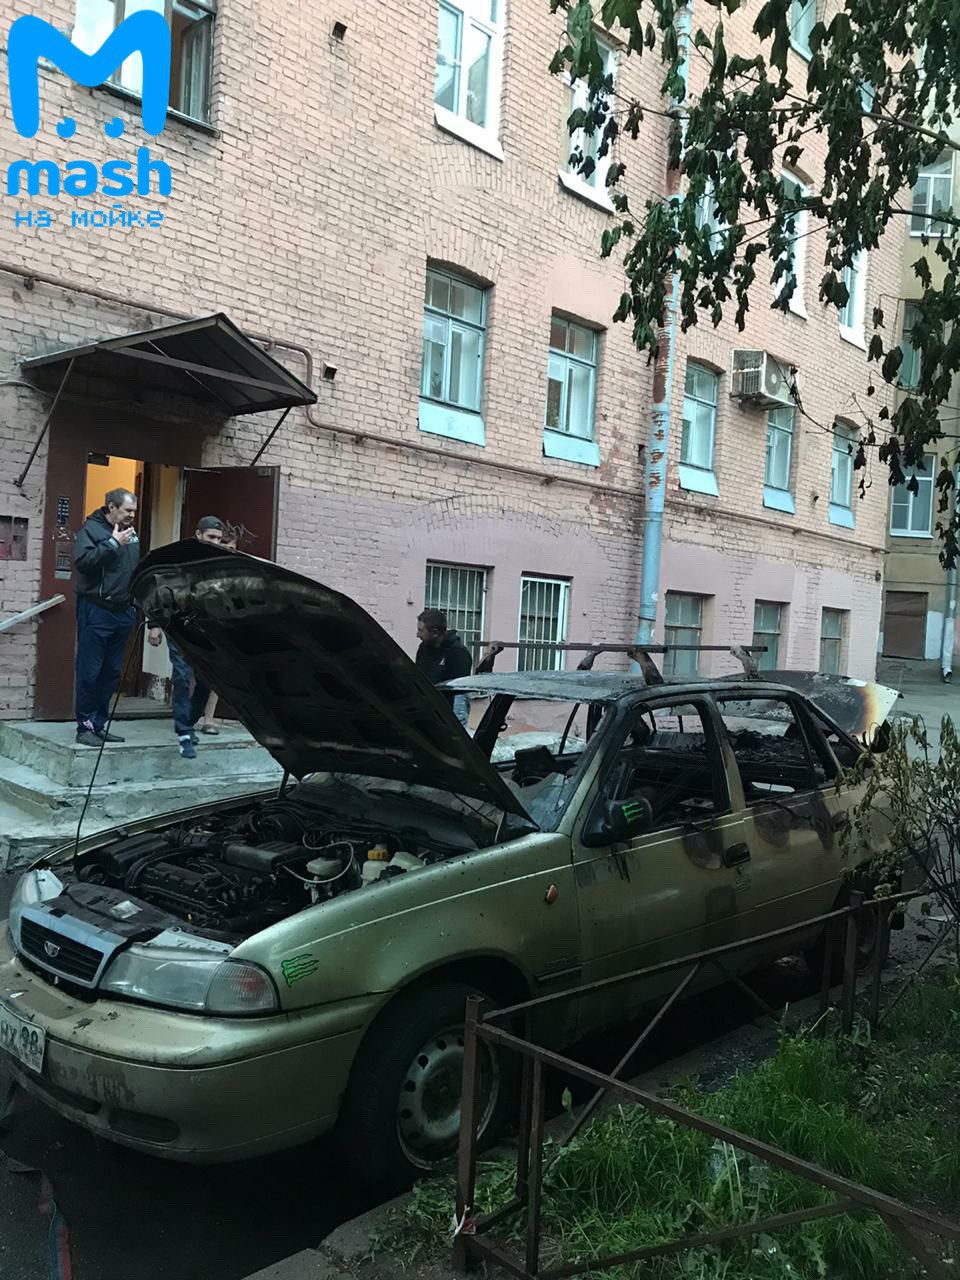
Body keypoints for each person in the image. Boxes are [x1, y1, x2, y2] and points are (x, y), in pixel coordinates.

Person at [147, 516, 225, 759]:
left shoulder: (221, 562)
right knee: (181, 676)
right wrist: (154, 625)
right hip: (179, 625)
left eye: (218, 539)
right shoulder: (180, 559)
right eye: (211, 537)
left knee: (207, 680)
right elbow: (160, 592)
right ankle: (183, 733)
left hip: (205, 629)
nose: (215, 542)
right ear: (198, 535)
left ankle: (189, 723)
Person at [73, 488, 140, 747]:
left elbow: (134, 572)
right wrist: (112, 544)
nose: (132, 515)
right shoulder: (91, 530)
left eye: (134, 511)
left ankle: (98, 725)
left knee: (111, 673)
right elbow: (83, 562)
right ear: (111, 507)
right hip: (97, 610)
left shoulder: (131, 533)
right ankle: (85, 727)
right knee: (90, 672)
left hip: (122, 612)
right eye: (127, 510)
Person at [197, 523, 239, 735]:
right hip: (198, 623)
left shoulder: (234, 568)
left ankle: (209, 719)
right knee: (189, 673)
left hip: (221, 624)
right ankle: (187, 717)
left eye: (233, 549)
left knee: (216, 675)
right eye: (227, 547)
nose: (230, 552)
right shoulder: (203, 563)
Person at [415, 608, 473, 728]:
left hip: (447, 718)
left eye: (421, 630)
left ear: (435, 632)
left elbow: (460, 696)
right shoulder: (423, 649)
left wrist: (456, 727)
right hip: (426, 713)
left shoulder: (458, 653)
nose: (417, 635)